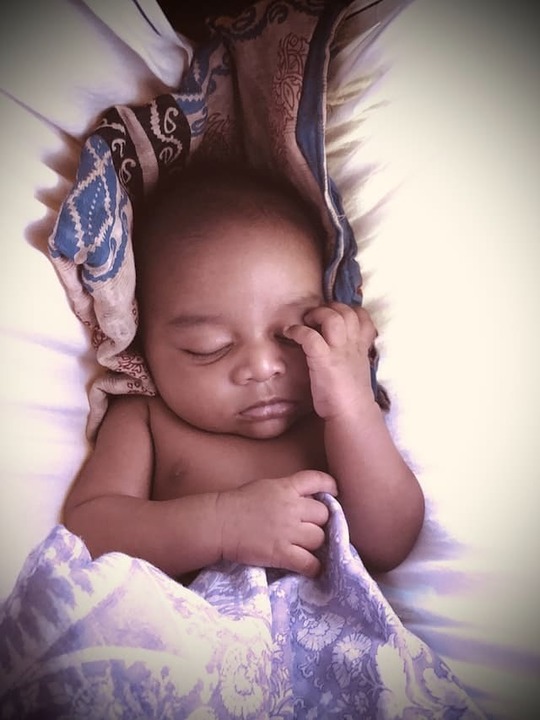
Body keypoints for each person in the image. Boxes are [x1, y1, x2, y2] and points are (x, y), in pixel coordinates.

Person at [63, 161, 425, 581]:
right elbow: (88, 533)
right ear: (143, 343)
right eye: (209, 348)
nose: (263, 367)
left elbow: (388, 544)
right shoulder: (147, 421)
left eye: (291, 336)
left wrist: (354, 404)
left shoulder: (334, 421)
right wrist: (221, 524)